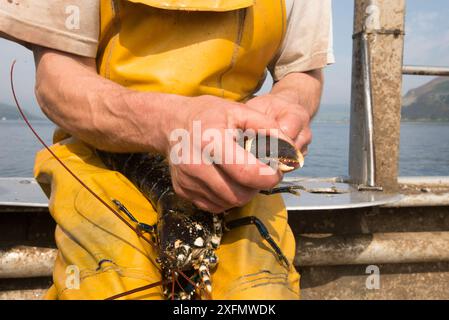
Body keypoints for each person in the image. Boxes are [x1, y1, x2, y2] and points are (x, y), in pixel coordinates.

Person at [0, 0, 334, 299]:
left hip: (232, 157)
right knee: (113, 282)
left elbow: (302, 72)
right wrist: (171, 124)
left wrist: (287, 105)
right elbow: (56, 80)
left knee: (260, 291)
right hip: (101, 149)